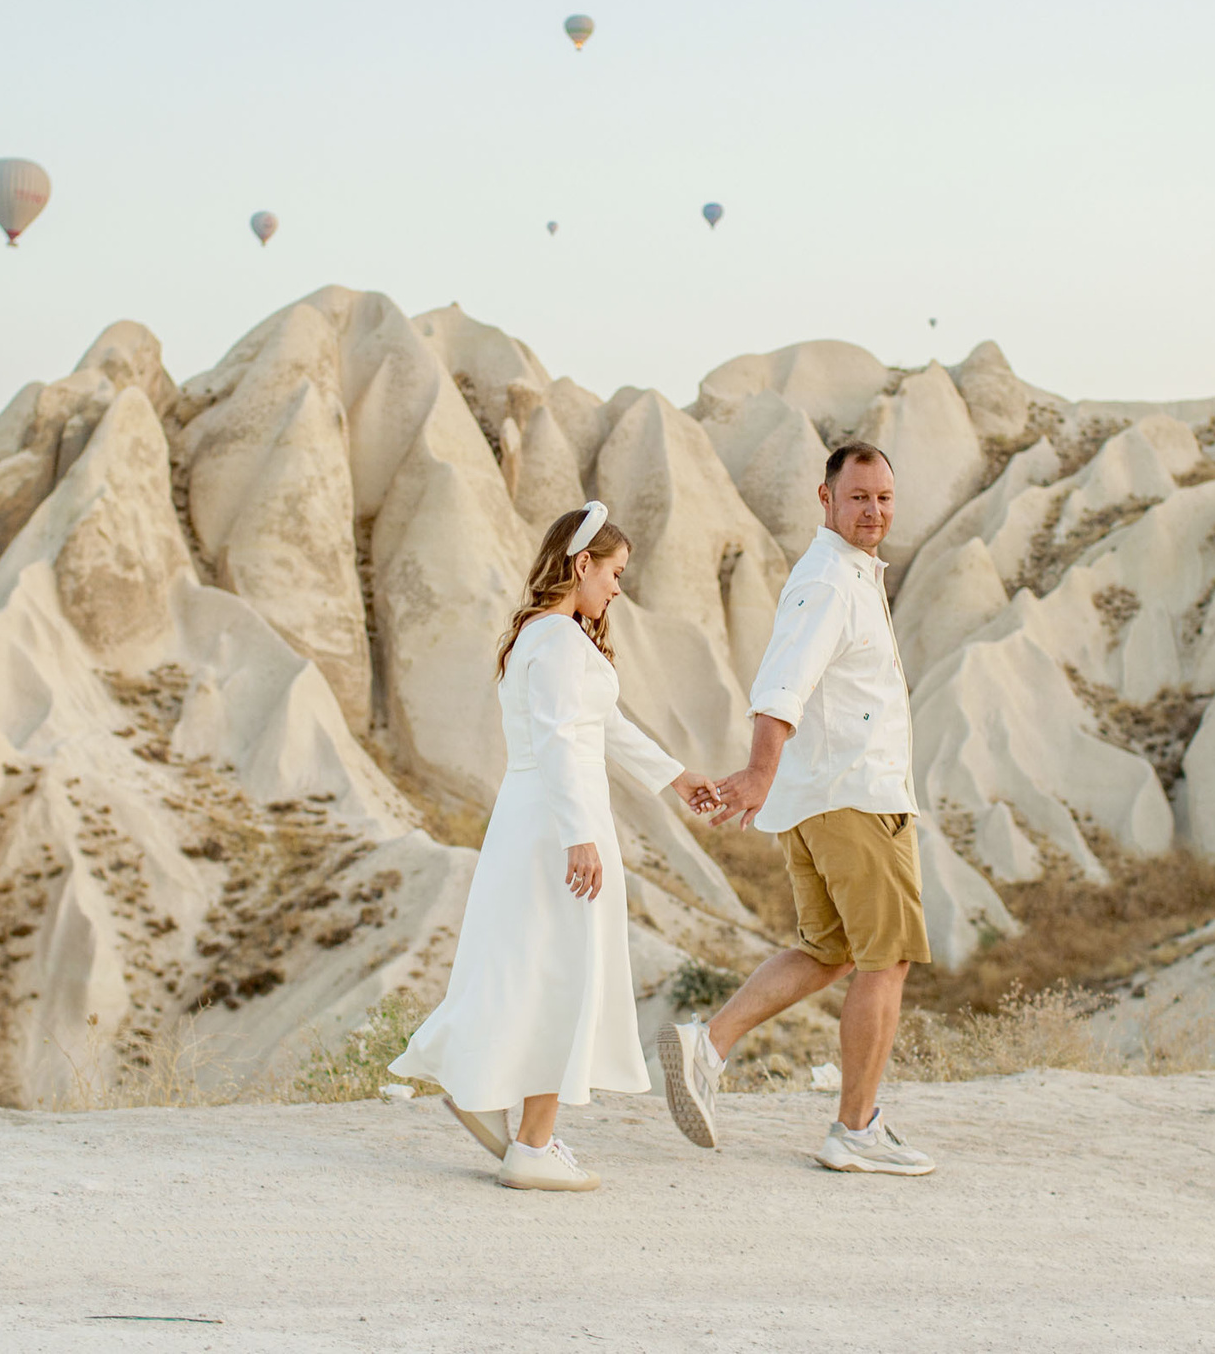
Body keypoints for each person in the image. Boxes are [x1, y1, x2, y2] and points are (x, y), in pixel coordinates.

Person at [390, 502, 719, 1191]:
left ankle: (487, 1093)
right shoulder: (562, 643)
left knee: (530, 964)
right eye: (615, 572)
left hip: (537, 813)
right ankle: (533, 1143)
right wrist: (580, 837)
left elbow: (606, 729)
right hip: (557, 820)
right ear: (581, 564)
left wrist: (677, 777)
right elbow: (567, 743)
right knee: (561, 972)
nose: (618, 588)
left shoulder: (546, 638)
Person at [656, 443, 936, 1175]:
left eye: (883, 497)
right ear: (825, 497)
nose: (873, 510)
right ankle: (856, 1128)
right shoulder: (830, 581)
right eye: (858, 497)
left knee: (830, 950)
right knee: (888, 957)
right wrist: (756, 771)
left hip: (824, 798)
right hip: (855, 798)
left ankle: (706, 1046)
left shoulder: (847, 575)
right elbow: (783, 681)